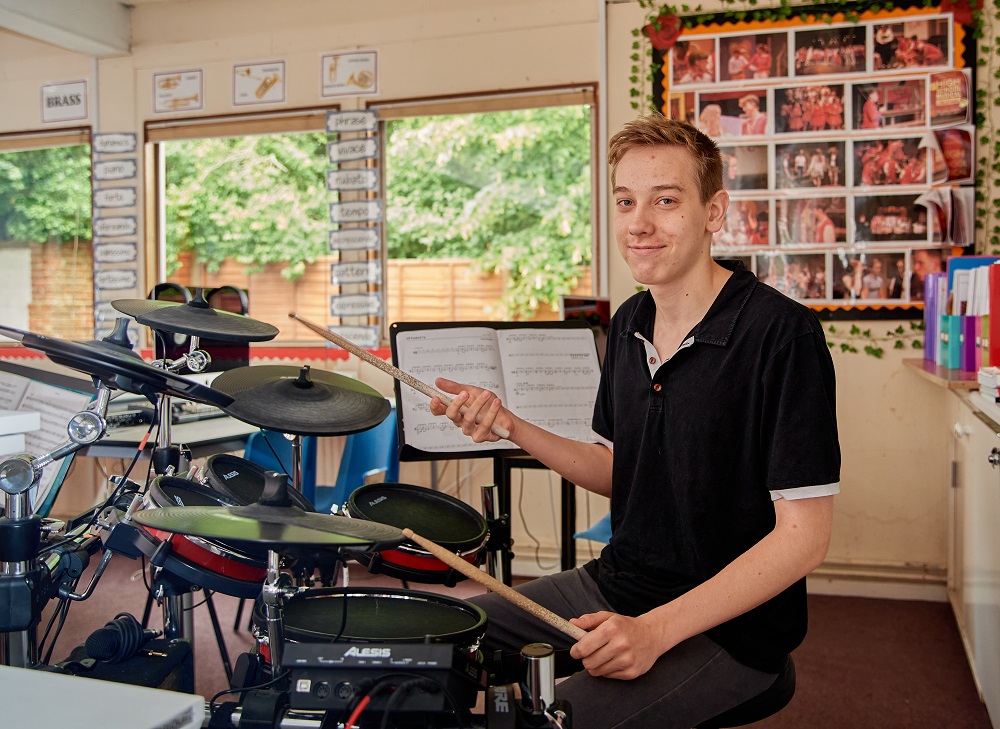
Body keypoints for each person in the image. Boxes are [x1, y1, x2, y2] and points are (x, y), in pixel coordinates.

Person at [429, 114, 840, 729]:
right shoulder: (629, 323)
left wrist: (654, 631)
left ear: (714, 212)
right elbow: (620, 470)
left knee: (554, 722)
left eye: (666, 201)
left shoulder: (781, 334)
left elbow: (804, 538)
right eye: (625, 202)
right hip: (620, 582)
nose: (639, 224)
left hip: (732, 630)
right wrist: (510, 424)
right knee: (435, 645)